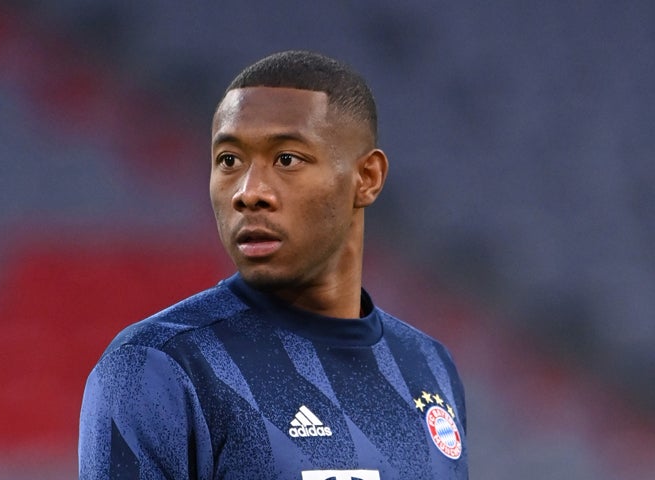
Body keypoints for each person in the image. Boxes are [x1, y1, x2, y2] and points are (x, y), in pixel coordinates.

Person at [79, 50, 468, 479]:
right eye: (229, 161)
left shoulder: (430, 364)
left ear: (367, 178)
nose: (248, 192)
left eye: (287, 159)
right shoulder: (157, 368)